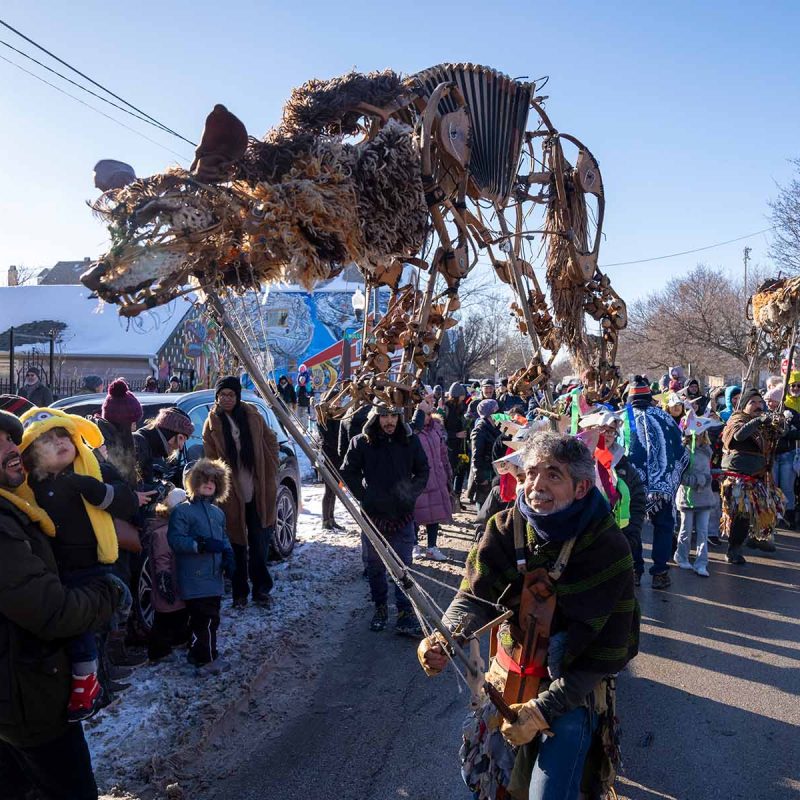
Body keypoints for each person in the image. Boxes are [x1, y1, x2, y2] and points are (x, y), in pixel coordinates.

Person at [418, 431, 639, 800]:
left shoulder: (608, 546)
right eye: (532, 472)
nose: (537, 484)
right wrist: (445, 636)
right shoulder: (504, 527)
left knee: (547, 794)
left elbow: (608, 653)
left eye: (554, 475)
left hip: (572, 690)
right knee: (486, 786)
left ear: (581, 488)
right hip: (509, 680)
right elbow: (473, 598)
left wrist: (542, 711)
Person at [0, 409, 125, 800]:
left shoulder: (16, 508)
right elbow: (53, 611)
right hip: (29, 706)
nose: (11, 447)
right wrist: (111, 593)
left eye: (11, 438)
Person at [17, 409, 139, 720]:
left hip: (98, 563)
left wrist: (90, 487)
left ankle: (100, 684)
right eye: (47, 440)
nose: (59, 443)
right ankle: (94, 688)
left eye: (63, 436)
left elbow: (126, 500)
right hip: (58, 572)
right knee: (81, 632)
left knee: (98, 626)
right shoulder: (31, 488)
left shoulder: (94, 468)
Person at [340, 400, 429, 635]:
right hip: (373, 516)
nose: (389, 421)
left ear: (400, 417)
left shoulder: (410, 441)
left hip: (403, 514)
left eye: (393, 416)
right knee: (375, 566)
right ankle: (380, 607)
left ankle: (404, 612)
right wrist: (365, 496)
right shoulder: (362, 442)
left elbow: (423, 469)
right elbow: (348, 471)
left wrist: (410, 494)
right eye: (384, 416)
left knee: (404, 566)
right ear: (375, 418)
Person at [202, 376, 279, 608]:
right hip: (231, 491)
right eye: (222, 395)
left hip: (258, 487)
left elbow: (271, 440)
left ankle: (261, 590)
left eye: (231, 395)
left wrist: (271, 465)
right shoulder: (212, 423)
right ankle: (240, 593)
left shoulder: (253, 416)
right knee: (236, 544)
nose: (226, 399)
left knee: (259, 542)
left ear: (237, 397)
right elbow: (209, 459)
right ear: (217, 397)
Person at [168, 459, 235, 667]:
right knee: (203, 619)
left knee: (211, 618)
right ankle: (204, 656)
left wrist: (229, 554)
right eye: (204, 480)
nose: (209, 484)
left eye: (213, 481)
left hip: (214, 577)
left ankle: (202, 652)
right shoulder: (183, 511)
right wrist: (200, 545)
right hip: (194, 577)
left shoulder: (218, 513)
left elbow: (223, 538)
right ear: (193, 482)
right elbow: (175, 539)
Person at [624, 377, 688, 589]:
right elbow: (681, 450)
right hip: (663, 488)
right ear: (648, 397)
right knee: (663, 527)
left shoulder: (623, 418)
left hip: (632, 486)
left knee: (633, 528)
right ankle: (659, 571)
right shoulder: (664, 418)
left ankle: (635, 569)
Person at [579, 409, 647, 586]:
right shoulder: (577, 462)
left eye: (611, 430)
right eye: (602, 429)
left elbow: (638, 498)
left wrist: (632, 532)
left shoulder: (622, 464)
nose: (607, 434)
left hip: (617, 539)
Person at [720, 388, 783, 561]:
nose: (758, 405)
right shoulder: (738, 419)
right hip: (739, 477)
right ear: (744, 405)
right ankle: (734, 549)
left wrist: (779, 424)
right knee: (742, 513)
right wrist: (758, 421)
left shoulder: (763, 423)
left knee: (761, 510)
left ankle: (757, 537)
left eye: (759, 402)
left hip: (760, 475)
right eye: (752, 402)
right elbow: (739, 436)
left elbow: (776, 440)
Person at [674, 412, 722, 577]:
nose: (701, 436)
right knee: (686, 529)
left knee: (703, 531)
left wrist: (716, 475)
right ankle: (681, 556)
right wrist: (700, 480)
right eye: (698, 433)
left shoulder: (707, 450)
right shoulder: (683, 452)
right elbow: (680, 476)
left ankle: (701, 563)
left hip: (705, 497)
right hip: (688, 498)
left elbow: (707, 471)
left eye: (703, 433)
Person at [145, 488, 190, 662]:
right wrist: (165, 581)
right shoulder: (163, 532)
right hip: (168, 583)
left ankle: (179, 638)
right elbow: (162, 559)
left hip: (178, 582)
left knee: (180, 613)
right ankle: (158, 651)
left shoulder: (176, 527)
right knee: (164, 618)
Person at [412, 402, 452, 561]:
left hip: (437, 478)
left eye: (429, 413)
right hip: (419, 480)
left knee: (435, 515)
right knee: (415, 514)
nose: (428, 417)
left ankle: (432, 547)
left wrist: (448, 473)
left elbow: (443, 453)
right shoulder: (413, 433)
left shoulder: (436, 430)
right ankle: (414, 545)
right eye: (424, 414)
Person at [133, 406, 193, 486]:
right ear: (169, 433)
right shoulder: (138, 443)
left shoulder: (151, 446)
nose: (181, 447)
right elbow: (132, 486)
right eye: (181, 438)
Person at [466, 398, 501, 508]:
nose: (499, 414)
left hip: (494, 471)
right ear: (490, 414)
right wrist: (481, 478)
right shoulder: (479, 430)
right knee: (483, 506)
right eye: (496, 412)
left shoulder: (496, 427)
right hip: (484, 474)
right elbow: (476, 457)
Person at [777, 371, 800, 529]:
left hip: (793, 451)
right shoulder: (781, 402)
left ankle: (790, 515)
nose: (796, 388)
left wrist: (790, 433)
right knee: (776, 485)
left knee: (788, 486)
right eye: (793, 385)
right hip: (779, 451)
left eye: (799, 385)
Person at [442, 383, 469, 502]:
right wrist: (455, 435)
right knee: (450, 472)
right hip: (450, 447)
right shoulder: (446, 408)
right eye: (462, 395)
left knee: (461, 471)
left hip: (461, 446)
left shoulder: (463, 406)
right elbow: (442, 430)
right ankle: (449, 498)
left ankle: (457, 497)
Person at [296, 365, 313, 430]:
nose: (302, 381)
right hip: (299, 403)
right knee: (299, 416)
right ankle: (303, 426)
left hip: (305, 403)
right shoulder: (298, 386)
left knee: (305, 415)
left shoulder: (307, 385)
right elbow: (296, 393)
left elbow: (310, 392)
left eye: (303, 380)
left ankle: (305, 427)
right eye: (301, 380)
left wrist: (309, 395)